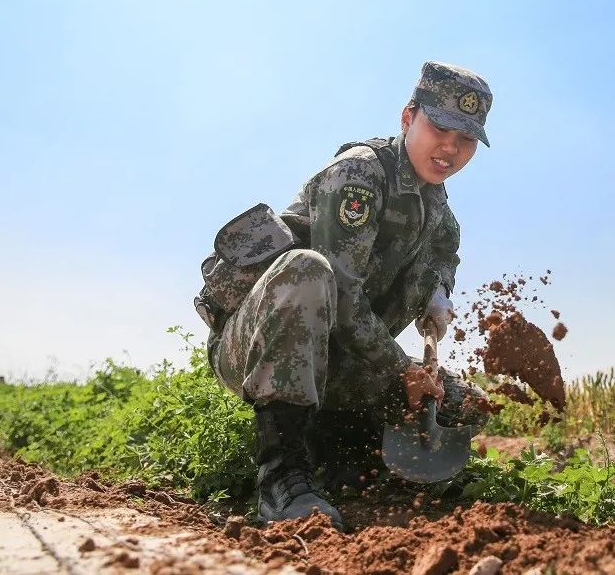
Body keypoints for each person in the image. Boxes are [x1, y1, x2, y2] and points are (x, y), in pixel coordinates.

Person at [193, 61, 493, 526]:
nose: (450, 147)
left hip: (344, 359)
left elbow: (443, 259)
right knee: (308, 269)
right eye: (440, 127)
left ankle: (339, 446)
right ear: (408, 118)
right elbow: (345, 291)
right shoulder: (358, 175)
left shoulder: (439, 212)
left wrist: (439, 293)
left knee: (465, 403)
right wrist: (403, 368)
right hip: (258, 347)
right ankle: (282, 477)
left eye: (467, 138)